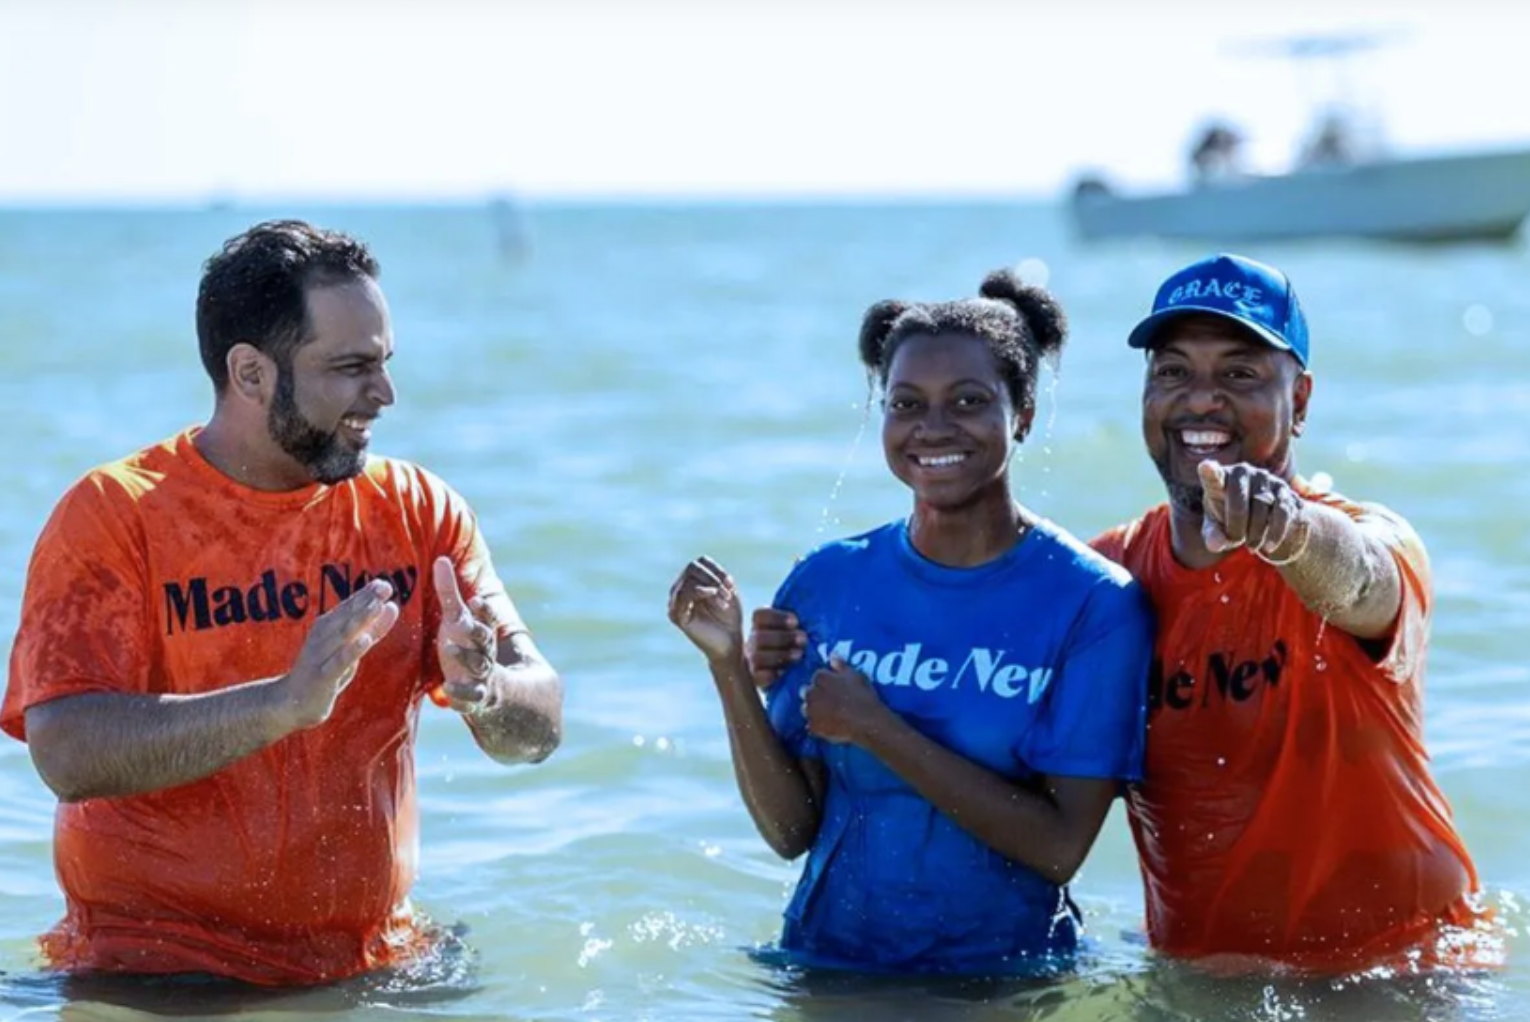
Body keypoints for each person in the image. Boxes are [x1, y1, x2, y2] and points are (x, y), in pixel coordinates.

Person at [748, 253, 1498, 976]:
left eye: (1239, 373)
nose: (1201, 399)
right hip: (1197, 973)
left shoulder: (1371, 539)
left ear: (1299, 402)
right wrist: (783, 654)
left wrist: (1288, 530)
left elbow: (1361, 584)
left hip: (1395, 969)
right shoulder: (1109, 586)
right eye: (1174, 373)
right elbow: (972, 667)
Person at [1, 220, 564, 986]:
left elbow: (539, 730)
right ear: (250, 372)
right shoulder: (114, 515)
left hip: (372, 966)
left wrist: (488, 689)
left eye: (385, 363)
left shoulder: (418, 512)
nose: (385, 394)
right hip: (155, 976)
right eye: (350, 367)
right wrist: (280, 705)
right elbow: (63, 752)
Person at [669, 270, 1154, 975]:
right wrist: (727, 669)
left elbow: (1059, 846)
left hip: (1003, 984)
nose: (933, 428)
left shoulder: (1094, 604)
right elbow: (789, 829)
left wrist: (878, 729)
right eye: (906, 403)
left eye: (968, 401)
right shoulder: (827, 581)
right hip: (828, 969)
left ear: (1021, 414)